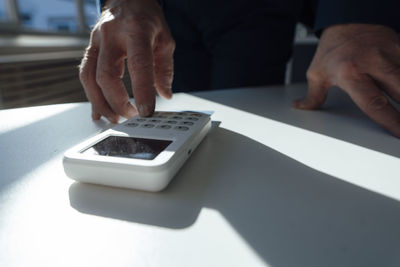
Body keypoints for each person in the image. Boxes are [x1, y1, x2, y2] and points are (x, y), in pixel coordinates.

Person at [79, 0, 400, 137]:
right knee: (181, 116)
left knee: (245, 126)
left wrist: (356, 11)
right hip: (166, 11)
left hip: (255, 11)